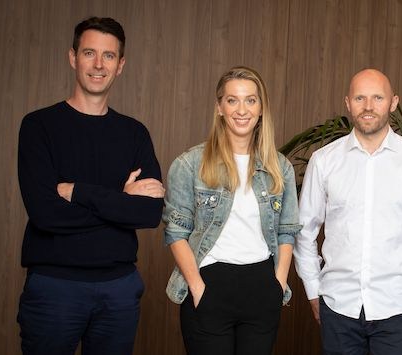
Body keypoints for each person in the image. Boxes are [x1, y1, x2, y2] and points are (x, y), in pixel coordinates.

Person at [16, 17, 164, 355]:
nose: (99, 65)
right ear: (73, 57)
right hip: (55, 288)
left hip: (119, 289)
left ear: (120, 65)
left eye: (109, 56)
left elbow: (150, 212)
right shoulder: (39, 126)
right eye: (89, 53)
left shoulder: (134, 133)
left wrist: (80, 193)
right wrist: (121, 202)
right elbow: (45, 214)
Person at [294, 68, 402, 355]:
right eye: (360, 98)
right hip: (338, 306)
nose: (368, 106)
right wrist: (314, 290)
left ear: (393, 102)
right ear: (347, 103)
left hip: (397, 307)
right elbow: (304, 230)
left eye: (378, 97)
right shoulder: (324, 161)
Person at [163, 66, 301, 355]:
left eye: (251, 100)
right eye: (232, 100)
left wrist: (277, 284)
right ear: (219, 107)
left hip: (262, 289)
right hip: (210, 287)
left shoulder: (280, 167)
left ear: (261, 108)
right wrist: (198, 289)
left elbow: (286, 232)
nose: (242, 109)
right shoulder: (190, 164)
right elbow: (176, 234)